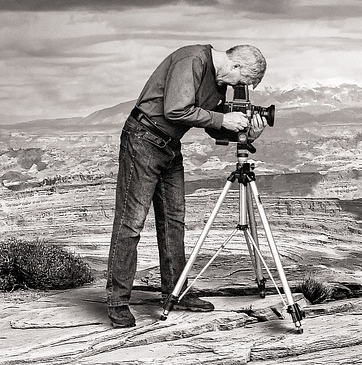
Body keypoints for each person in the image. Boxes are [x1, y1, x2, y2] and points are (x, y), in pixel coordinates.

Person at [105, 42, 267, 328]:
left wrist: (248, 131)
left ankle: (175, 294)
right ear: (236, 66)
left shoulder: (218, 82)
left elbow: (212, 126)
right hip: (143, 139)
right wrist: (222, 118)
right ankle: (118, 301)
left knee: (173, 222)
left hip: (169, 145)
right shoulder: (193, 60)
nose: (239, 88)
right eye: (242, 82)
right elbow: (177, 110)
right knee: (131, 224)